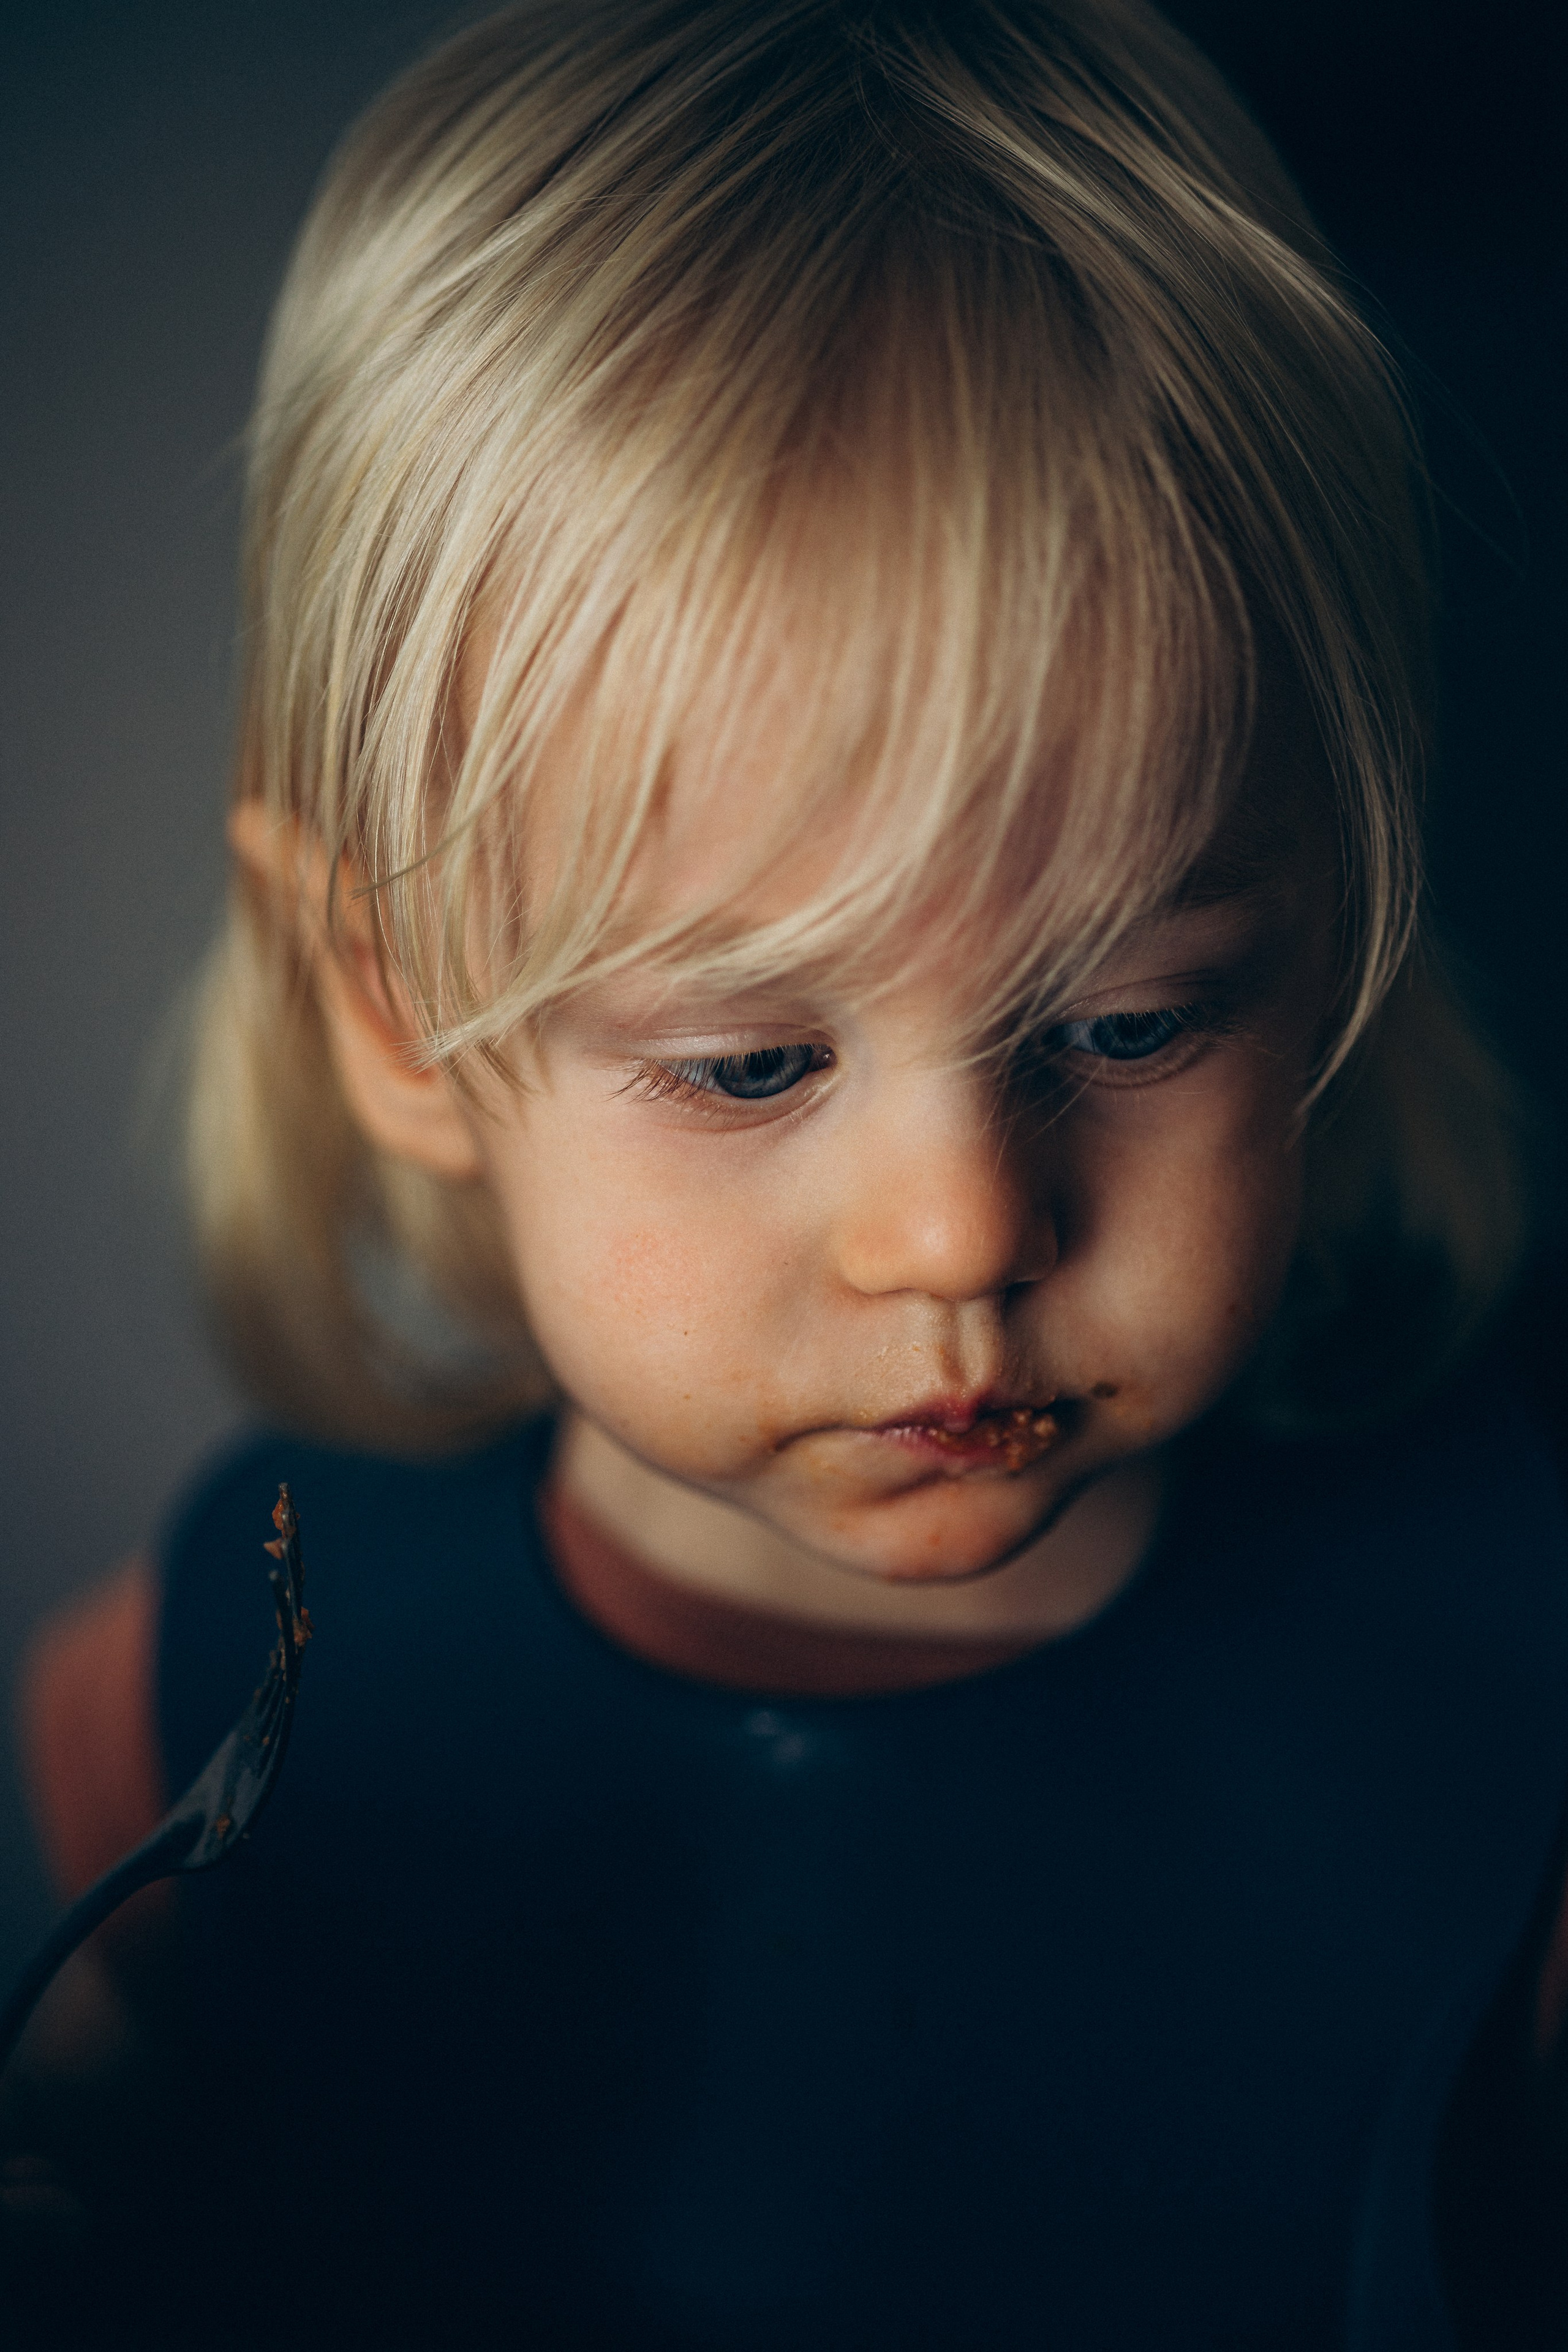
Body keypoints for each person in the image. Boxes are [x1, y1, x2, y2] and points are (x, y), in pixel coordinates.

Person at [7, 0, 1566, 2342]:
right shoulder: (220, 1701)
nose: (956, 1232)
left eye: (1130, 1024)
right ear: (403, 1015)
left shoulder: (1505, 1701)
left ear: (1330, 938)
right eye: (749, 1064)